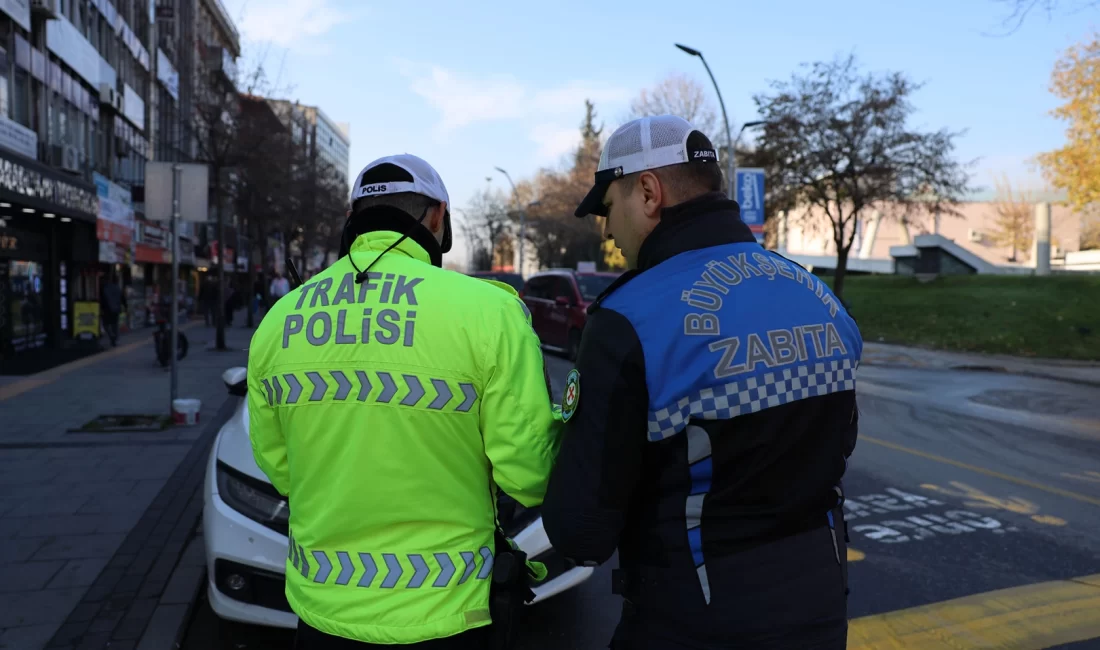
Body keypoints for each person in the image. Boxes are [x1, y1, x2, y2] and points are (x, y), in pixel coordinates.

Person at [540, 115, 863, 650]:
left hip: (691, 621)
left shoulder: (631, 317)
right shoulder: (819, 296)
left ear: (648, 192)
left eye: (608, 208)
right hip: (821, 611)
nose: (608, 230)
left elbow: (582, 530)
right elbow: (836, 447)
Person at [247, 154, 562, 649]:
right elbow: (529, 474)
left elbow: (278, 465)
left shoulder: (280, 319)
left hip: (324, 613)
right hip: (448, 614)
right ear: (438, 218)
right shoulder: (489, 312)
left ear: (352, 222)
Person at [100, 272, 126, 346]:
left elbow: (103, 300)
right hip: (116, 309)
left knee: (106, 324)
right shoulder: (117, 288)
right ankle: (114, 338)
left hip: (107, 309)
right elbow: (123, 298)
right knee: (115, 324)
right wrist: (125, 306)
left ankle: (111, 335)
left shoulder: (105, 288)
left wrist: (102, 308)